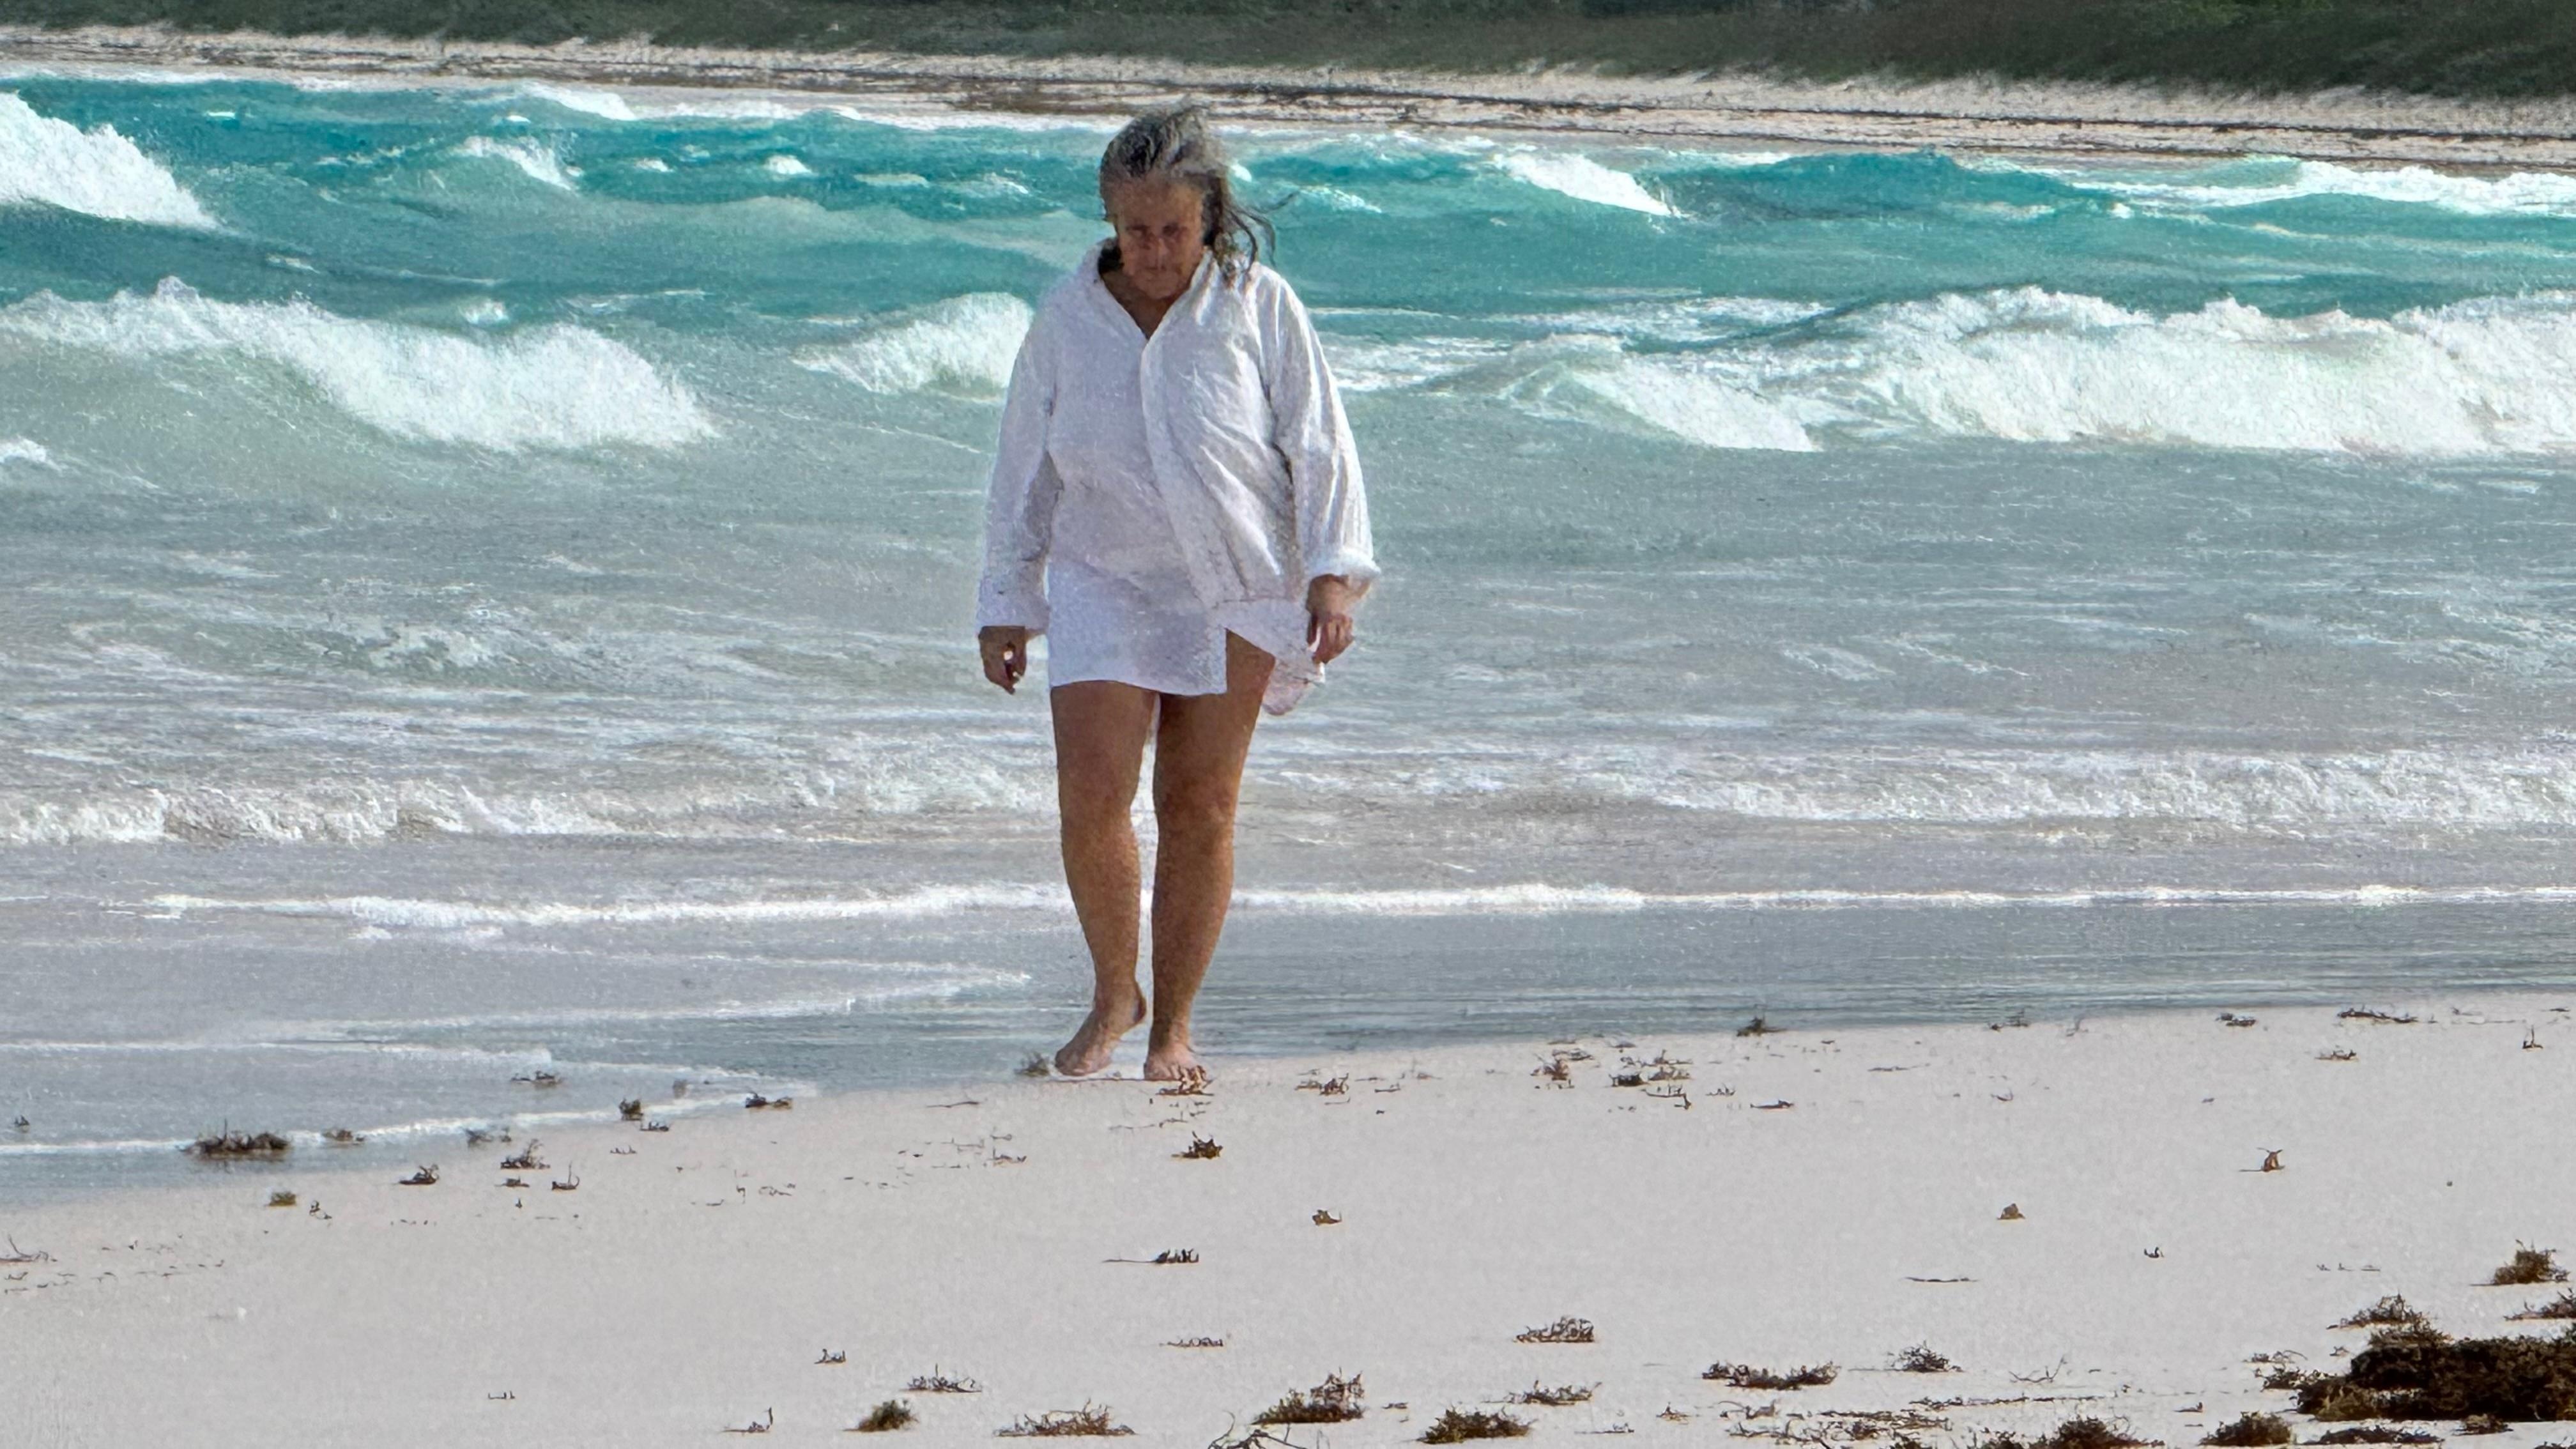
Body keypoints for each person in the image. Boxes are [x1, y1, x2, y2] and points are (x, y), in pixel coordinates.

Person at [974, 105, 1377, 1087]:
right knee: (1092, 797)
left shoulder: (1257, 304)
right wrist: (1006, 599)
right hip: (1100, 577)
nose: (1155, 251)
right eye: (1136, 230)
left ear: (1211, 219)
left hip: (1233, 578)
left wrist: (1333, 571)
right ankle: (1116, 992)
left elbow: (1317, 440)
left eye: (1174, 230)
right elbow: (1025, 467)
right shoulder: (1065, 321)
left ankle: (1175, 1029)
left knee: (1197, 805)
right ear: (1110, 222)